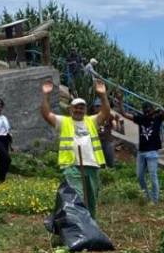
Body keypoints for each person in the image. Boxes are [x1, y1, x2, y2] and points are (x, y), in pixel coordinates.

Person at [39, 78, 112, 218]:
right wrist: (46, 95)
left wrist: (103, 95)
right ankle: (78, 229)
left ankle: (91, 230)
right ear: (70, 109)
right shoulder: (64, 121)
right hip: (72, 166)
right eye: (76, 107)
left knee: (91, 201)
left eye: (81, 107)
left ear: (85, 110)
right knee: (76, 198)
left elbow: (106, 113)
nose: (78, 110)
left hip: (91, 165)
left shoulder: (91, 121)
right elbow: (46, 114)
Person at [126, 101, 164, 203]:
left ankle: (155, 200)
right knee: (139, 176)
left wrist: (156, 111)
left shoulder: (158, 119)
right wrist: (121, 101)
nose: (147, 112)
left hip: (152, 152)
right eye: (145, 110)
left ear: (152, 110)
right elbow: (124, 114)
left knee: (153, 176)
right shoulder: (141, 119)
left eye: (149, 109)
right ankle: (146, 195)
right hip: (141, 152)